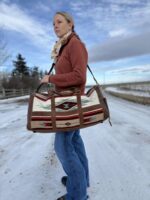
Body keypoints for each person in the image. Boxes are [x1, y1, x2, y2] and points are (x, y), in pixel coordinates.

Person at [41, 11, 89, 200]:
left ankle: (77, 195)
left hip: (70, 105)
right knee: (75, 143)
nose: (55, 26)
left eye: (59, 22)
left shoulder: (74, 44)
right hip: (66, 102)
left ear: (70, 24)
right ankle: (81, 182)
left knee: (63, 147)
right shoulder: (64, 46)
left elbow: (79, 76)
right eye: (53, 24)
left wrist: (51, 78)